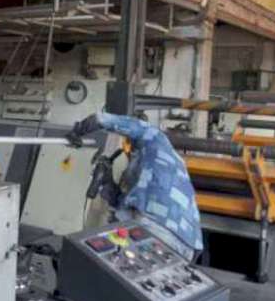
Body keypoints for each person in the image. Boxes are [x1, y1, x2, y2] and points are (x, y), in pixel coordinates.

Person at [67, 110, 203, 261]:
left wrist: (78, 130)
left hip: (159, 227)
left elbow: (109, 121)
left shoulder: (156, 138)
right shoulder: (159, 165)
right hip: (188, 247)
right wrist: (107, 182)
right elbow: (122, 205)